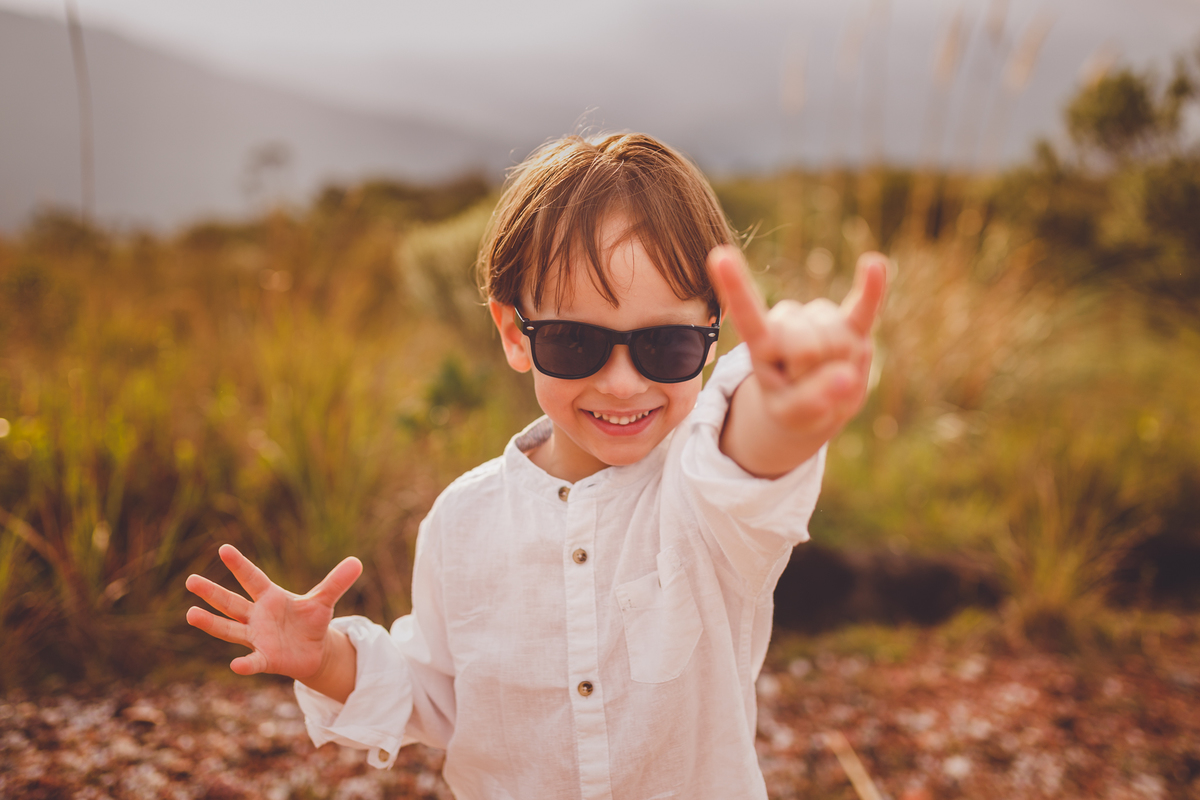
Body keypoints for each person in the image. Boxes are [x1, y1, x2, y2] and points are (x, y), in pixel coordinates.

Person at [185, 132, 886, 799]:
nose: (620, 383)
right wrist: (328, 658)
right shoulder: (462, 521)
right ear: (513, 335)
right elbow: (439, 696)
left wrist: (788, 406)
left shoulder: (703, 495)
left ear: (711, 339)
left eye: (666, 347)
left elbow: (752, 455)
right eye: (575, 343)